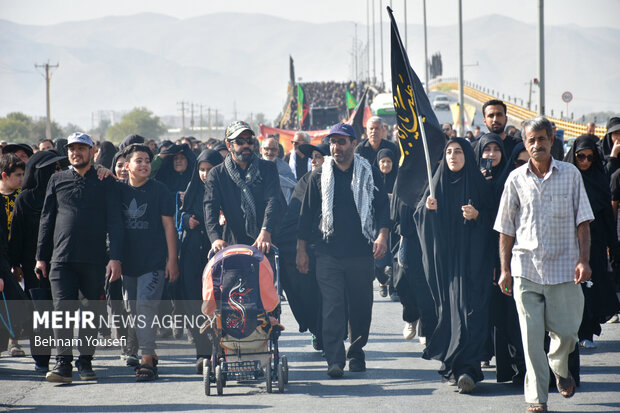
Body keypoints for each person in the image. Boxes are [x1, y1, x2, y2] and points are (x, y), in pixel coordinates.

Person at [495, 116, 594, 413]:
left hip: (565, 269)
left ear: (551, 139)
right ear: (525, 144)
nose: (537, 144)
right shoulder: (515, 179)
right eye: (531, 140)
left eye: (542, 138)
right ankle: (536, 398)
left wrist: (583, 260)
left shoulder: (571, 174)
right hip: (526, 268)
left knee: (566, 334)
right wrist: (505, 269)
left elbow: (584, 222)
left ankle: (560, 366)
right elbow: (505, 228)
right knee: (530, 338)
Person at [297, 123, 390, 378]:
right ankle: (335, 359)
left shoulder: (368, 172)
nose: (335, 147)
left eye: (341, 142)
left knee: (361, 306)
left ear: (352, 143)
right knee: (332, 306)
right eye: (332, 142)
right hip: (327, 253)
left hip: (361, 253)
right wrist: (301, 251)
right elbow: (305, 217)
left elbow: (383, 208)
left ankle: (357, 352)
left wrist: (382, 235)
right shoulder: (319, 176)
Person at [36, 132, 124, 383]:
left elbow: (115, 221)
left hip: (95, 259)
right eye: (72, 148)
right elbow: (47, 219)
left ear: (92, 151)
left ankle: (85, 361)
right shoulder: (56, 179)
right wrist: (41, 256)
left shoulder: (105, 181)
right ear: (67, 153)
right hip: (61, 259)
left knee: (89, 312)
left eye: (82, 148)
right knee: (62, 311)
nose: (76, 152)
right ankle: (63, 363)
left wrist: (115, 257)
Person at [414, 138, 494, 394]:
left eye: (458, 151)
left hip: (474, 263)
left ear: (467, 156)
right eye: (448, 151)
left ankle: (468, 369)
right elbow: (419, 219)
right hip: (447, 266)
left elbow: (497, 221)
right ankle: (454, 367)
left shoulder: (481, 186)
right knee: (450, 313)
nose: (453, 156)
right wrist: (428, 210)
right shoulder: (436, 185)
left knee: (472, 313)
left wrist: (478, 216)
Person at [116, 143, 178, 381]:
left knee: (145, 308)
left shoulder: (159, 190)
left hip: (153, 263)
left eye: (147, 161)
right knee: (132, 310)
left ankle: (146, 359)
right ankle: (150, 355)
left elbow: (168, 226)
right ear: (127, 166)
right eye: (138, 160)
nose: (144, 165)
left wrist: (172, 260)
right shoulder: (118, 190)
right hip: (127, 264)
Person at [9, 150, 66, 371]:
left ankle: (64, 358)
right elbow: (17, 234)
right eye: (52, 168)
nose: (56, 172)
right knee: (41, 314)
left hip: (62, 262)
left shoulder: (63, 192)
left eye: (58, 168)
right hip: (34, 266)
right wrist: (14, 264)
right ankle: (41, 359)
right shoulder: (25, 198)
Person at [563, 135, 620, 348]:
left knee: (590, 288)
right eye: (580, 157)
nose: (585, 161)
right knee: (570, 290)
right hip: (568, 244)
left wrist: (612, 247)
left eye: (590, 157)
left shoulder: (599, 180)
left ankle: (587, 332)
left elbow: (607, 215)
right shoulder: (564, 178)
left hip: (594, 244)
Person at [274, 142, 329, 352]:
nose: (313, 161)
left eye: (318, 156)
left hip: (332, 251)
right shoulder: (305, 182)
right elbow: (293, 220)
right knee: (307, 295)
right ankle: (318, 331)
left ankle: (330, 339)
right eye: (311, 157)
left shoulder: (340, 180)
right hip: (306, 249)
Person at [204, 121, 284, 254]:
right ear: (229, 145)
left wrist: (265, 230)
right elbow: (210, 208)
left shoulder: (267, 168)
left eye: (249, 141)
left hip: (265, 242)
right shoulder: (217, 174)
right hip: (232, 244)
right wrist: (215, 239)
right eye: (240, 141)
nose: (246, 145)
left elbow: (273, 200)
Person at [177, 148, 223, 373]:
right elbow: (180, 213)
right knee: (195, 304)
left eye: (210, 169)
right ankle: (203, 353)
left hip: (219, 256)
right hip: (193, 256)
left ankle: (222, 350)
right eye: (202, 169)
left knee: (220, 303)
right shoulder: (193, 188)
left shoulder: (225, 188)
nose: (205, 174)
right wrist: (186, 220)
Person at [0, 153, 26, 357]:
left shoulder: (22, 197)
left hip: (17, 254)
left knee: (16, 297)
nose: (21, 179)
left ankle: (14, 340)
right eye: (18, 175)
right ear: (4, 175)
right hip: (2, 255)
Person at [375, 148, 398, 300]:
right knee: (378, 257)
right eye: (382, 161)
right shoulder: (373, 177)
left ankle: (394, 288)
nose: (385, 164)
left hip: (395, 221)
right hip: (377, 221)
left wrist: (394, 197)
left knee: (394, 256)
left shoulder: (398, 178)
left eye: (389, 161)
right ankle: (383, 281)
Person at [261, 136, 296, 203]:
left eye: (273, 149)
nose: (270, 152)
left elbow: (292, 184)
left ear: (278, 151)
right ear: (261, 150)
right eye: (266, 149)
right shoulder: (254, 166)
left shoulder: (284, 166)